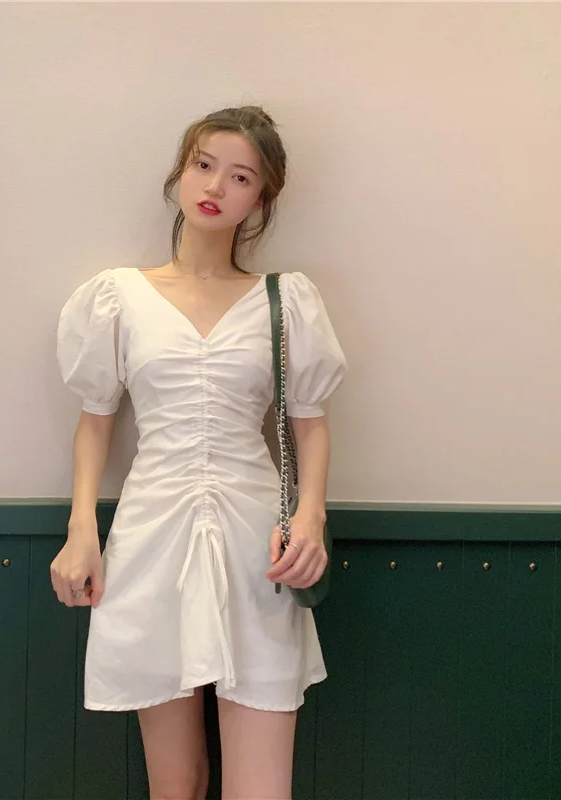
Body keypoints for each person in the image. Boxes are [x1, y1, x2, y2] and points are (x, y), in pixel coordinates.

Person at [50, 105, 347, 800]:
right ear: (180, 172)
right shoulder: (118, 297)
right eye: (203, 164)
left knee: (260, 790)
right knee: (176, 785)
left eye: (240, 176)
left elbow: (310, 421)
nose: (215, 185)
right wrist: (81, 529)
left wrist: (310, 519)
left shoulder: (284, 301)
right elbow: (96, 421)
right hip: (151, 534)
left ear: (261, 198)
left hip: (259, 542)